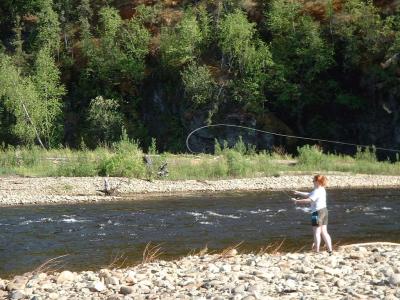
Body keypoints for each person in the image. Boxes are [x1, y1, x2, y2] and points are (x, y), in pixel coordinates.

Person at [292, 174, 333, 255]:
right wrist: (298, 192)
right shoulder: (321, 189)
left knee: (317, 232)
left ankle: (316, 251)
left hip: (317, 212)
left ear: (318, 182)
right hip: (324, 211)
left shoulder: (317, 191)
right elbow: (309, 194)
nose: (312, 182)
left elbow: (309, 200)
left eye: (314, 180)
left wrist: (297, 201)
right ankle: (330, 250)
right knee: (324, 232)